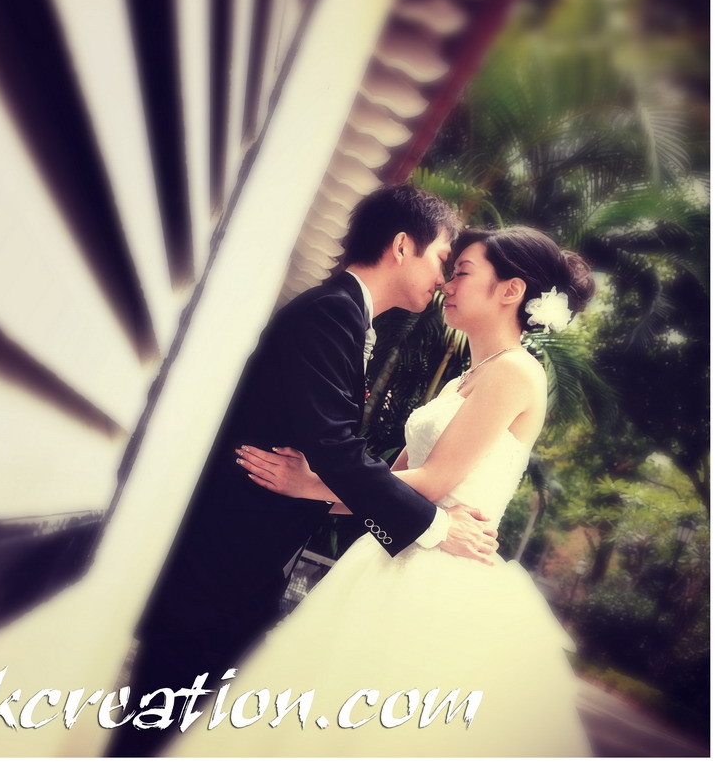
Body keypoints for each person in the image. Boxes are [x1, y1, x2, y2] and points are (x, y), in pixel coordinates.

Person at [172, 226, 595, 756]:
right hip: (394, 551)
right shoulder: (465, 378)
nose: (447, 284)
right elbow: (387, 483)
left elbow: (433, 482)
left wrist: (309, 483)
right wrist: (310, 488)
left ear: (510, 290)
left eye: (463, 272)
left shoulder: (515, 372)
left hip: (441, 574)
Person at [108, 185, 500, 758]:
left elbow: (328, 455)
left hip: (239, 573)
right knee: (150, 739)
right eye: (443, 259)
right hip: (216, 570)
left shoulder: (343, 315)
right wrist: (438, 527)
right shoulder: (331, 314)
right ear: (401, 247)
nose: (444, 279)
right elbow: (337, 449)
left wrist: (311, 485)